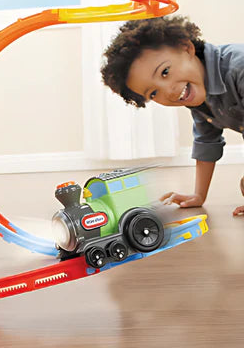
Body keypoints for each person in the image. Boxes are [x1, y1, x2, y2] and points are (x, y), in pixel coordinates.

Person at [100, 16, 244, 215]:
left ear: (186, 47)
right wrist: (199, 195)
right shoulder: (198, 95)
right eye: (153, 93)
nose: (168, 91)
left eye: (165, 71)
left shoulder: (239, 67)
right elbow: (206, 141)